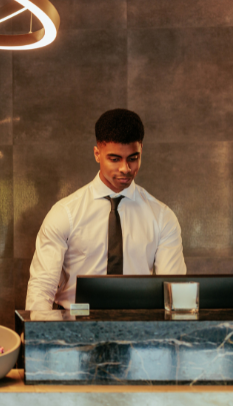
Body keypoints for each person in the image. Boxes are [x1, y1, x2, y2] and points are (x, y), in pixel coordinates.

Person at [25, 109, 186, 311]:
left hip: (137, 324)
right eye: (115, 159)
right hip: (74, 324)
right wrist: (43, 330)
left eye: (133, 158)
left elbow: (174, 294)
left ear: (141, 151)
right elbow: (41, 289)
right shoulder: (65, 213)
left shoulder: (162, 217)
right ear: (97, 154)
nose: (125, 169)